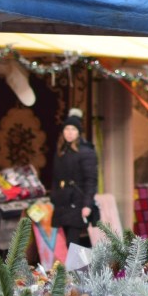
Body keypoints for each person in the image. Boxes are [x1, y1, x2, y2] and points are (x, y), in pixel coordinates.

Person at [51, 107, 98, 250]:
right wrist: (54, 197)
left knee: (73, 241)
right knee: (68, 240)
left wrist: (87, 204)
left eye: (73, 129)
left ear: (78, 132)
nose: (69, 133)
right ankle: (74, 270)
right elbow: (55, 177)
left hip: (77, 201)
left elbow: (91, 180)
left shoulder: (86, 152)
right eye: (66, 129)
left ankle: (77, 271)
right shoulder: (61, 151)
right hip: (63, 201)